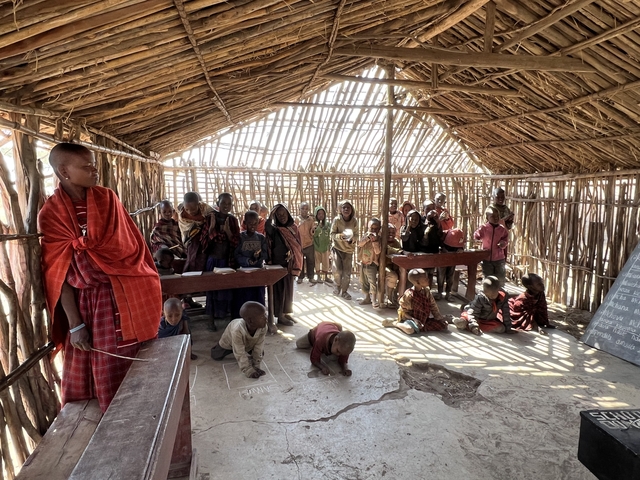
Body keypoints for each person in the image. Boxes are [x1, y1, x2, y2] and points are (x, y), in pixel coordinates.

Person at [39, 143, 162, 412]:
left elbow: (128, 249)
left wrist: (88, 247)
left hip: (127, 293)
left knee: (139, 363)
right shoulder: (52, 215)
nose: (95, 171)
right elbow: (59, 275)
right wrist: (75, 325)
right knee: (103, 370)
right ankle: (110, 427)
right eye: (86, 166)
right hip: (90, 305)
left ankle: (145, 419)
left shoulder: (107, 199)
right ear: (64, 171)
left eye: (94, 164)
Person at [265, 203, 303, 329]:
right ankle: (280, 315)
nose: (282, 217)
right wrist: (270, 216)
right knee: (279, 290)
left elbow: (297, 246)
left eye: (284, 214)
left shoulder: (293, 228)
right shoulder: (274, 229)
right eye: (279, 214)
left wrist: (294, 257)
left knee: (289, 289)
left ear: (288, 214)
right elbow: (267, 227)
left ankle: (286, 313)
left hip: (290, 264)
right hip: (277, 264)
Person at [204, 192, 240, 321]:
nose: (226, 206)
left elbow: (236, 242)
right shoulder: (210, 218)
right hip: (213, 260)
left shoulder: (232, 220)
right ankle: (211, 319)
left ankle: (225, 315)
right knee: (212, 289)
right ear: (217, 203)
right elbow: (204, 241)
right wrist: (212, 230)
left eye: (229, 203)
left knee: (227, 289)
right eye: (223, 203)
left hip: (228, 260)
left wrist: (228, 233)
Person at [210, 301, 268, 378]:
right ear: (251, 321)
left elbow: (259, 345)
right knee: (216, 356)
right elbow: (239, 352)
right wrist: (248, 370)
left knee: (260, 353)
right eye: (262, 316)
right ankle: (218, 348)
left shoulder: (263, 326)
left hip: (249, 343)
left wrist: (256, 366)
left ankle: (250, 353)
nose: (266, 318)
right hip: (230, 343)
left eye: (265, 314)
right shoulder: (237, 330)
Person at [383, 269, 448, 335]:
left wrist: (439, 318)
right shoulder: (409, 295)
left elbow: (433, 306)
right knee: (410, 330)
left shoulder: (427, 291)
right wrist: (414, 319)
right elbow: (403, 312)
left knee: (443, 325)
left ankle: (420, 326)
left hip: (424, 319)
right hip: (410, 319)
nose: (428, 279)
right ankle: (395, 323)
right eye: (425, 279)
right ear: (417, 282)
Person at [234, 210, 269, 308]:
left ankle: (259, 317)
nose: (253, 226)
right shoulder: (240, 237)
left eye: (255, 223)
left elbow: (265, 254)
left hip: (258, 272)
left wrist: (259, 257)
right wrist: (247, 261)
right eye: (250, 223)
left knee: (258, 295)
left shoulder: (261, 238)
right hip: (243, 273)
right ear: (245, 223)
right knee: (244, 296)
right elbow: (236, 254)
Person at [177, 192, 214, 272]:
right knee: (194, 251)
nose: (190, 212)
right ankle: (191, 272)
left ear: (198, 204)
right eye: (187, 209)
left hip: (206, 235)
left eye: (193, 209)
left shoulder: (205, 208)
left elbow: (214, 216)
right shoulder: (183, 216)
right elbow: (185, 231)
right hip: (191, 240)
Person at [474, 206, 508, 286]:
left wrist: (503, 243)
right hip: (486, 259)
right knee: (488, 280)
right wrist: (477, 239)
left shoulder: (502, 229)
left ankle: (500, 295)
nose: (496, 218)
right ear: (487, 217)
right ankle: (488, 295)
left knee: (500, 280)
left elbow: (505, 240)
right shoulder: (484, 228)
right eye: (493, 216)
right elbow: (476, 235)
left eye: (497, 216)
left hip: (499, 259)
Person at [331, 200, 358, 300]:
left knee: (346, 272)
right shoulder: (337, 220)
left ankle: (344, 291)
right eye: (344, 207)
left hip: (348, 250)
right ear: (340, 209)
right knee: (337, 270)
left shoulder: (354, 221)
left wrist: (352, 240)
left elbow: (356, 235)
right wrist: (340, 236)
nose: (346, 209)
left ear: (352, 209)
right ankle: (337, 286)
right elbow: (332, 234)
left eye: (348, 207)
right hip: (337, 248)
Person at [357, 218, 382, 308]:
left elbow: (378, 251)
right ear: (368, 228)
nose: (373, 231)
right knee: (364, 281)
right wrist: (367, 239)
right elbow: (359, 244)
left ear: (379, 229)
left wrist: (374, 242)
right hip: (363, 263)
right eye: (372, 228)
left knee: (372, 282)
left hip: (372, 264)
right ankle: (367, 298)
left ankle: (374, 299)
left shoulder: (378, 239)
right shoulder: (365, 236)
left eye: (376, 229)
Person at [435, 228, 465, 301]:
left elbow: (461, 245)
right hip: (442, 259)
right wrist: (442, 249)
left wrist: (461, 249)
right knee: (440, 276)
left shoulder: (459, 236)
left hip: (452, 259)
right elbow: (436, 245)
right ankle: (439, 293)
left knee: (450, 276)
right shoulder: (443, 235)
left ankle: (448, 293)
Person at [295, 202, 316, 285]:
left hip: (309, 244)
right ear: (299, 209)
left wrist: (313, 229)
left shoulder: (311, 220)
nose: (304, 210)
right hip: (299, 244)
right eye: (302, 208)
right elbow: (294, 231)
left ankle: (311, 277)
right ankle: (300, 277)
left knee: (310, 261)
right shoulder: (296, 219)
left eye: (306, 209)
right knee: (300, 262)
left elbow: (312, 231)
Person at [384, 224, 403, 308]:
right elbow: (388, 249)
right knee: (393, 276)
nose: (390, 234)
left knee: (405, 275)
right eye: (388, 232)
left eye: (392, 232)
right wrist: (399, 252)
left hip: (394, 266)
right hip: (383, 266)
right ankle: (389, 298)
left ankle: (396, 296)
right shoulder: (382, 241)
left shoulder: (396, 242)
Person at [313, 205, 332, 283]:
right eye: (319, 214)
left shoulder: (328, 224)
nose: (321, 216)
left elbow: (331, 232)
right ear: (316, 215)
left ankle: (326, 277)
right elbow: (314, 234)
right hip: (317, 246)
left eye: (322, 214)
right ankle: (318, 276)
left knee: (326, 262)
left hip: (325, 246)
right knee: (317, 262)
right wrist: (318, 228)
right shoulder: (314, 225)